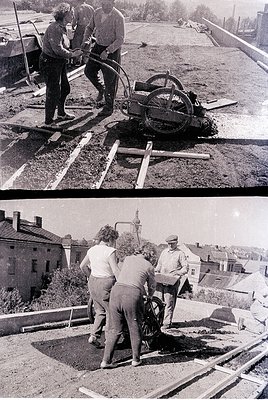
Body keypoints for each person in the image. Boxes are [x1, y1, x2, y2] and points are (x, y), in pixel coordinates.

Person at [100, 242, 157, 369]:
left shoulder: (128, 259)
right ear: (150, 254)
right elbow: (152, 286)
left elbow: (123, 274)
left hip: (116, 292)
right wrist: (150, 296)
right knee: (135, 327)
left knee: (115, 329)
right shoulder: (149, 266)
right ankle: (136, 359)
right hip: (132, 295)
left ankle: (106, 361)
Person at [39, 2, 83, 127]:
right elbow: (57, 49)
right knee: (53, 91)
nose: (73, 16)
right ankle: (48, 121)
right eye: (72, 13)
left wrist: (71, 51)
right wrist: (73, 55)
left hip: (59, 62)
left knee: (64, 88)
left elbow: (63, 46)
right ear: (65, 14)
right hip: (50, 62)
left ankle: (61, 113)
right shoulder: (55, 28)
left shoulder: (62, 27)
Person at [81, 0, 125, 117]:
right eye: (103, 4)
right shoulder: (97, 12)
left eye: (108, 4)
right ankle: (101, 89)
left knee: (110, 79)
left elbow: (120, 39)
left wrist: (107, 51)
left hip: (111, 50)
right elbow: (90, 28)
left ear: (113, 4)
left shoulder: (118, 17)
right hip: (98, 46)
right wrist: (86, 40)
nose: (105, 7)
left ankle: (108, 107)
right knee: (89, 71)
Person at [80, 225, 119, 347]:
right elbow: (116, 271)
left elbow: (82, 266)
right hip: (106, 282)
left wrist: (89, 276)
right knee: (110, 313)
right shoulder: (110, 251)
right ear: (111, 238)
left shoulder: (92, 250)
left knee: (99, 311)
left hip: (93, 281)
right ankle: (108, 341)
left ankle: (93, 335)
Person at [155, 234, 189, 329]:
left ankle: (166, 323)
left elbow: (185, 268)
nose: (170, 245)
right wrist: (156, 271)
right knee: (158, 301)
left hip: (172, 281)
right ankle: (158, 320)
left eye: (172, 243)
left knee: (169, 302)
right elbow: (159, 265)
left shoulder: (180, 254)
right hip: (161, 280)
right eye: (168, 243)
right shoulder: (164, 252)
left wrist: (177, 273)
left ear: (176, 243)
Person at [238, 270, 268, 334]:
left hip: (262, 309)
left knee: (261, 331)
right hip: (259, 308)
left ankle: (244, 322)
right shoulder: (264, 288)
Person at [71, 0, 94, 66]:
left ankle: (77, 60)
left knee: (77, 43)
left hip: (81, 27)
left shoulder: (77, 8)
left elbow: (75, 19)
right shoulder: (90, 8)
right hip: (89, 28)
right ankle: (85, 60)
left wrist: (73, 26)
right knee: (87, 43)